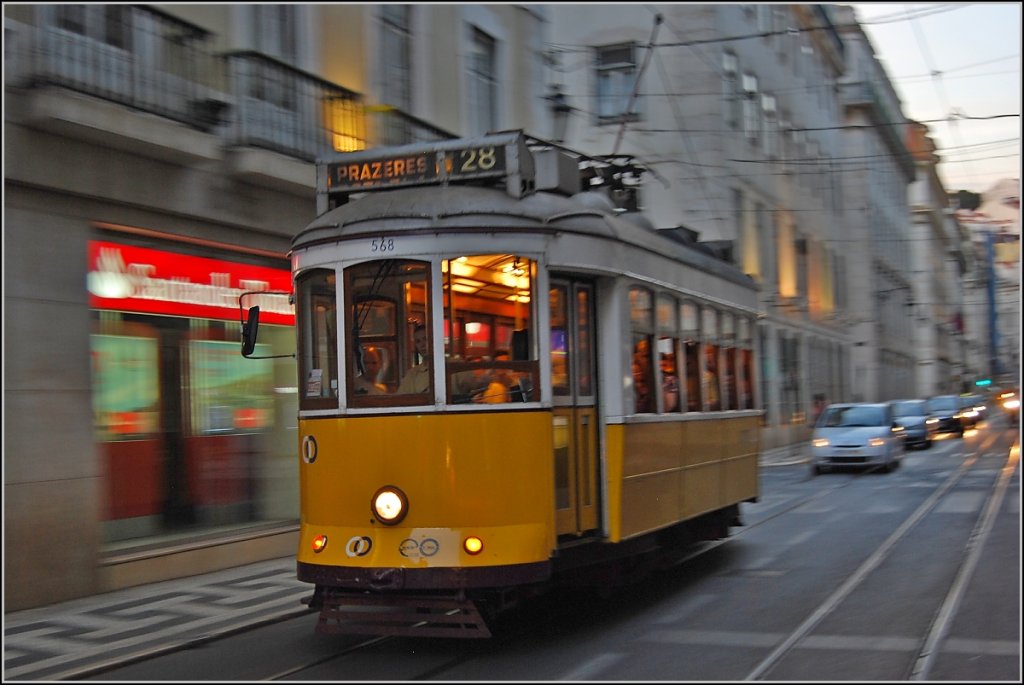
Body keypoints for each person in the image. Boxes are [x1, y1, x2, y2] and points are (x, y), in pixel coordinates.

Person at [396, 323, 430, 394]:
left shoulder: (453, 368)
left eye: (425, 339)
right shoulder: (412, 375)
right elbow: (399, 400)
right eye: (418, 341)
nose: (422, 344)